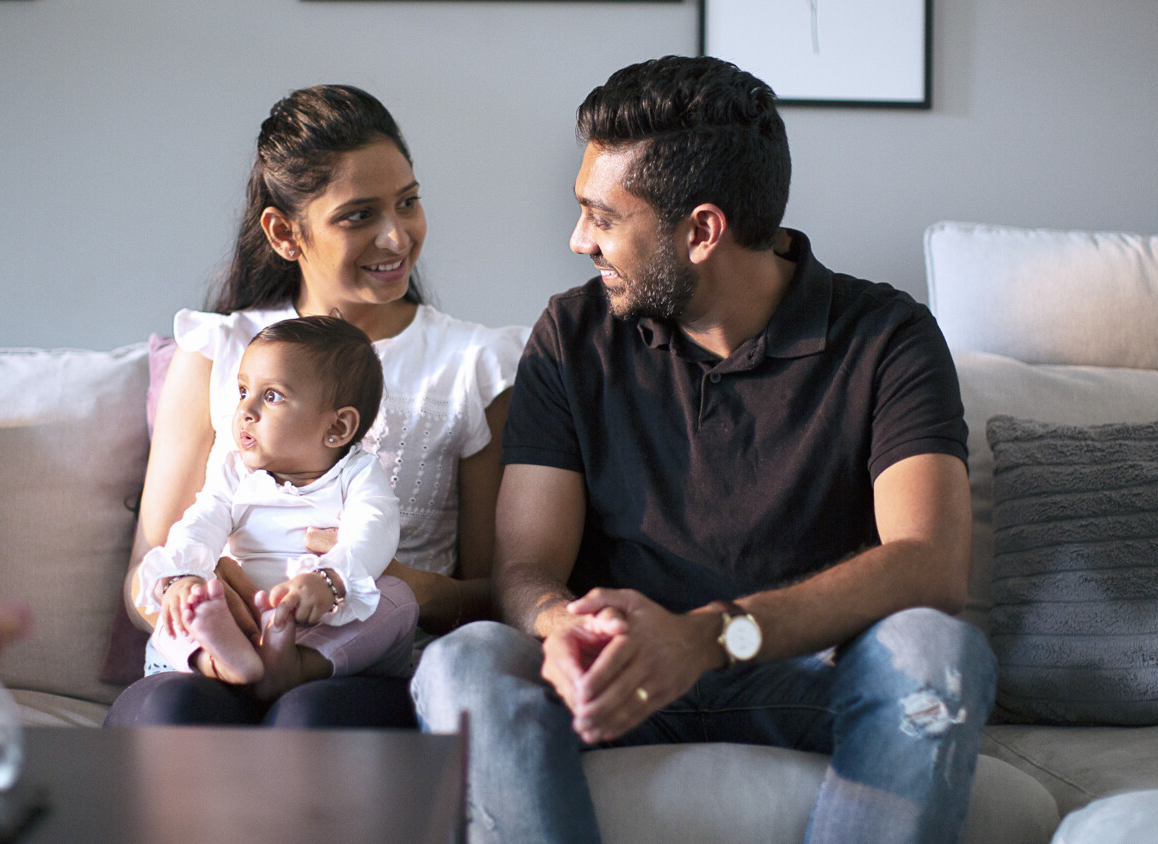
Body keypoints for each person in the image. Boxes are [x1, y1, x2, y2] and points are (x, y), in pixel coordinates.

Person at [411, 55, 997, 844]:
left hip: (796, 674)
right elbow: (523, 568)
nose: (578, 238)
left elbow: (930, 562)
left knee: (935, 648)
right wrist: (563, 627)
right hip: (615, 677)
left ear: (702, 231)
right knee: (466, 661)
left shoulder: (887, 338)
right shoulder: (571, 336)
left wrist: (707, 637)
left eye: (603, 216)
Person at [106, 84, 524, 728]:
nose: (396, 236)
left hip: (361, 660)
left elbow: (498, 596)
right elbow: (147, 571)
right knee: (173, 711)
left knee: (310, 718)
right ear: (283, 232)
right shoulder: (219, 351)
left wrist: (384, 584)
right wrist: (192, 595)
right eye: (358, 215)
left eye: (407, 203)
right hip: (221, 638)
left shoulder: (476, 365)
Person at [135, 316, 417, 701]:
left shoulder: (358, 474)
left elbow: (374, 526)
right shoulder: (234, 469)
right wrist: (184, 574)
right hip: (238, 614)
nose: (245, 410)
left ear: (337, 428)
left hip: (318, 615)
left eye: (272, 396)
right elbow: (203, 519)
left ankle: (297, 664)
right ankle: (216, 659)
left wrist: (332, 580)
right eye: (243, 390)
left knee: (397, 597)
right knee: (174, 601)